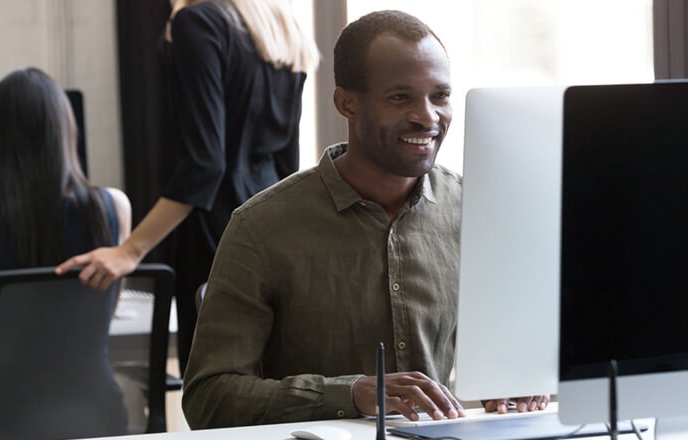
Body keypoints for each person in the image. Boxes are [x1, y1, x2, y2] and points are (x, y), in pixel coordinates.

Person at [180, 10, 549, 429]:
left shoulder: (476, 209)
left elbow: (513, 354)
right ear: (346, 103)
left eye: (440, 96)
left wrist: (517, 382)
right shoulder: (259, 229)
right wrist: (351, 394)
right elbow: (208, 398)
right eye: (400, 98)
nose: (428, 116)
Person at [55, 0, 320, 375]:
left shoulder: (197, 23)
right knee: (268, 385)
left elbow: (205, 165)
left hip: (215, 238)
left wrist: (130, 250)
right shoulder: (281, 29)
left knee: (213, 389)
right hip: (274, 233)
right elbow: (286, 162)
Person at [0, 67, 131, 435]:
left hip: (5, 417)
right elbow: (105, 307)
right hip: (97, 415)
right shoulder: (115, 206)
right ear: (66, 132)